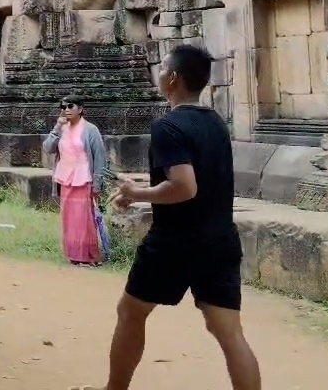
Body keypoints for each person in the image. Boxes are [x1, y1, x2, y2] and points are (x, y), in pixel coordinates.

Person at [92, 45, 259, 390]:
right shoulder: (215, 123)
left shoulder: (168, 126)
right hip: (219, 239)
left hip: (175, 242)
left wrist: (137, 194)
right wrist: (147, 183)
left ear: (173, 79)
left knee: (130, 312)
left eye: (163, 67)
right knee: (229, 332)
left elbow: (184, 186)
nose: (159, 72)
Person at [42, 94, 108, 266]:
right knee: (69, 218)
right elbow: (48, 148)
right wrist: (57, 128)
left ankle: (88, 256)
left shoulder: (90, 130)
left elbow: (100, 157)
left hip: (83, 178)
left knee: (84, 218)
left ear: (80, 109)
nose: (66, 110)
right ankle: (73, 255)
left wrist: (97, 182)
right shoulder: (61, 129)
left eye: (70, 106)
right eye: (63, 107)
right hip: (65, 179)